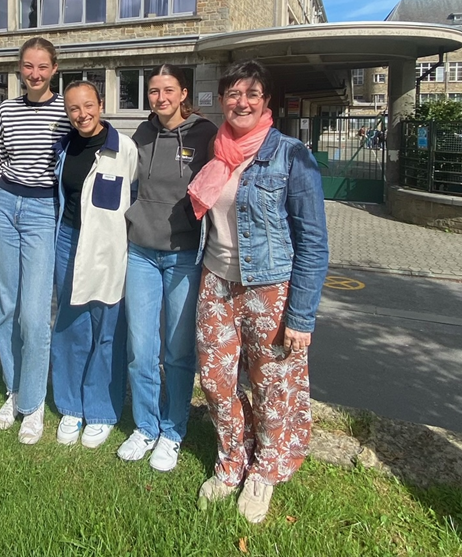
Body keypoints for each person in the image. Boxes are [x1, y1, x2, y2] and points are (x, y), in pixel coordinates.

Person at [188, 60, 329, 523]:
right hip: (217, 280)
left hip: (270, 287)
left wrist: (302, 316)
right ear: (223, 99)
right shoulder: (216, 150)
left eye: (252, 93)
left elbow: (313, 240)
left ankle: (265, 469)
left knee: (271, 385)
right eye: (233, 93)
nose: (241, 102)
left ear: (266, 101)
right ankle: (232, 459)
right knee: (214, 379)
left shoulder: (291, 154)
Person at [117, 65, 217, 471]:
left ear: (183, 93)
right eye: (154, 91)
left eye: (168, 90)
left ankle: (173, 431)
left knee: (177, 351)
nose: (160, 97)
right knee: (141, 349)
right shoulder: (141, 135)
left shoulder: (204, 134)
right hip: (140, 252)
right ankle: (145, 425)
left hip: (184, 256)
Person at [0, 37, 71, 443]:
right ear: (19, 68)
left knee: (35, 315)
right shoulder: (6, 109)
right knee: (5, 307)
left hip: (41, 210)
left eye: (42, 66)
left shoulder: (64, 111)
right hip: (5, 204)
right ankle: (15, 388)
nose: (34, 74)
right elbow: (1, 155)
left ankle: (34, 403)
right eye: (27, 66)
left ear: (54, 68)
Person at [51, 80, 137, 449]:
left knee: (107, 327)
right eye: (73, 108)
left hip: (106, 247)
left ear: (101, 105)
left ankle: (100, 410)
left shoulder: (123, 149)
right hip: (68, 241)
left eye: (88, 105)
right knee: (71, 325)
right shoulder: (63, 146)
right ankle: (71, 405)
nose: (82, 114)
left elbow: (133, 199)